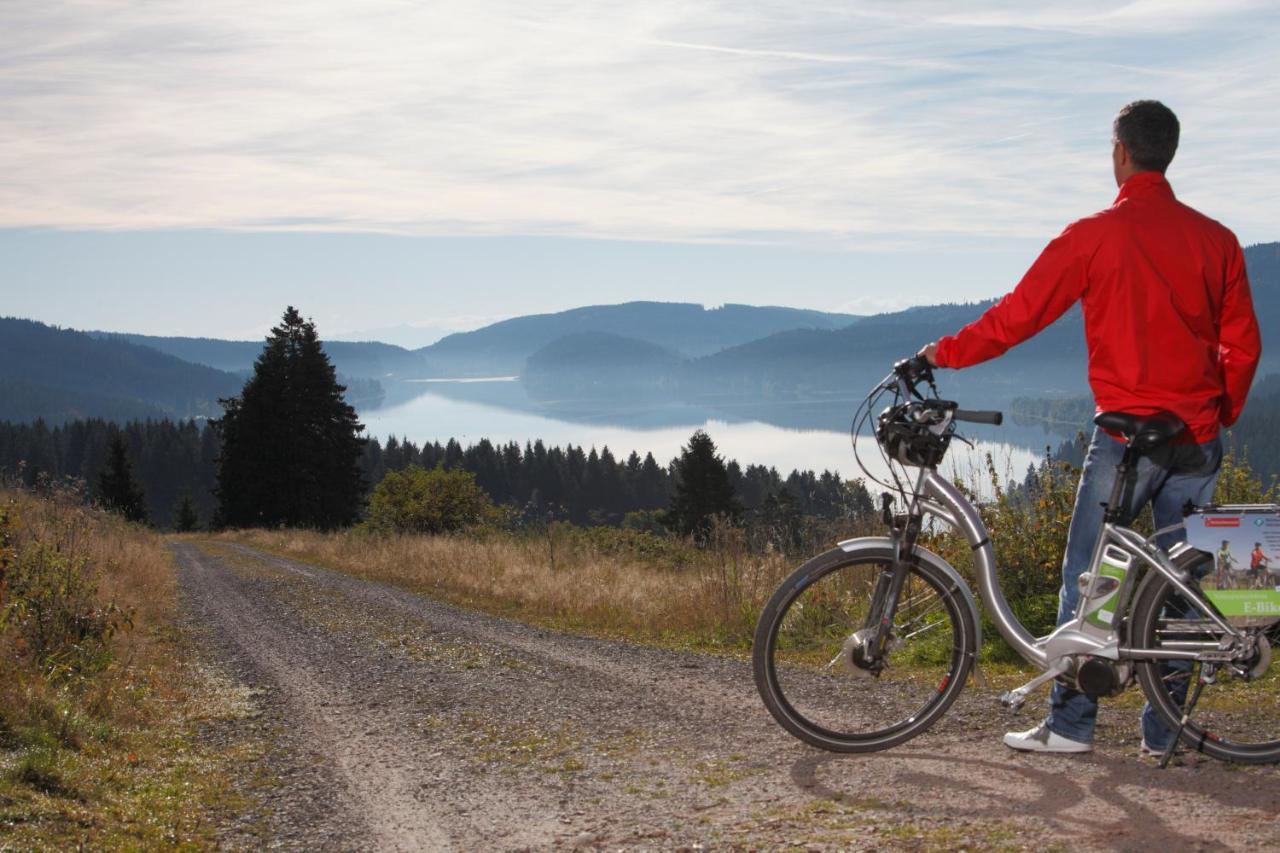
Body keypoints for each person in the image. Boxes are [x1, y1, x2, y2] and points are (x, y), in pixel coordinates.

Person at [918, 100, 1262, 756]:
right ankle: (1167, 735)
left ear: (1121, 153)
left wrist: (944, 352)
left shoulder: (1093, 234)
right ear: (1169, 153)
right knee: (1184, 582)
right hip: (1193, 438)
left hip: (1125, 440)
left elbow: (1018, 316)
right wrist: (1220, 414)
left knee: (1088, 572)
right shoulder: (1217, 240)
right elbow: (1242, 346)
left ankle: (1071, 725)